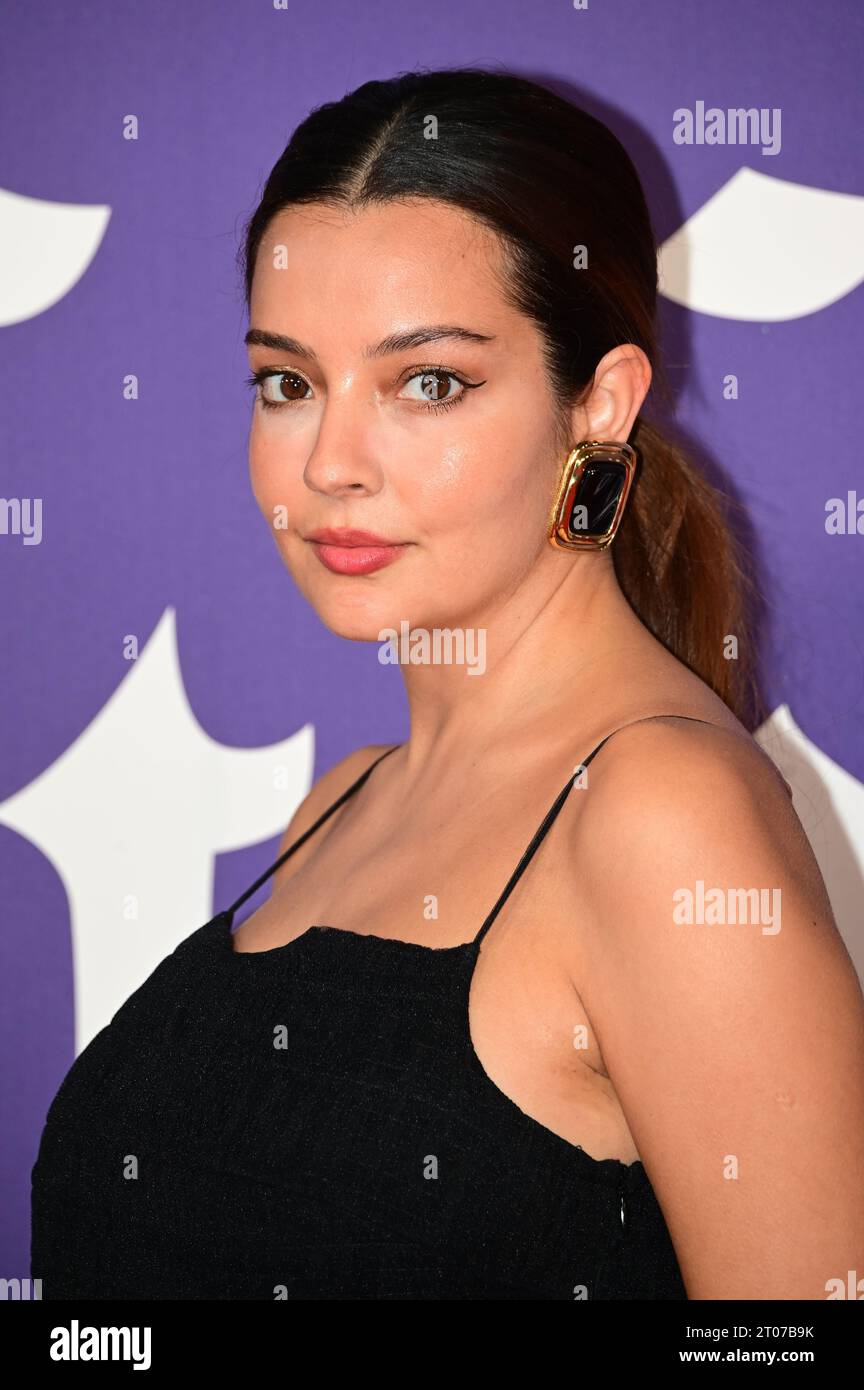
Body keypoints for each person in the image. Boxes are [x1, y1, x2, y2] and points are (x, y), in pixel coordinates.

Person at [31, 67, 864, 1301]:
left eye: (429, 383)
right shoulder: (343, 801)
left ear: (601, 404)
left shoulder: (665, 820)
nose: (328, 464)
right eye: (288, 382)